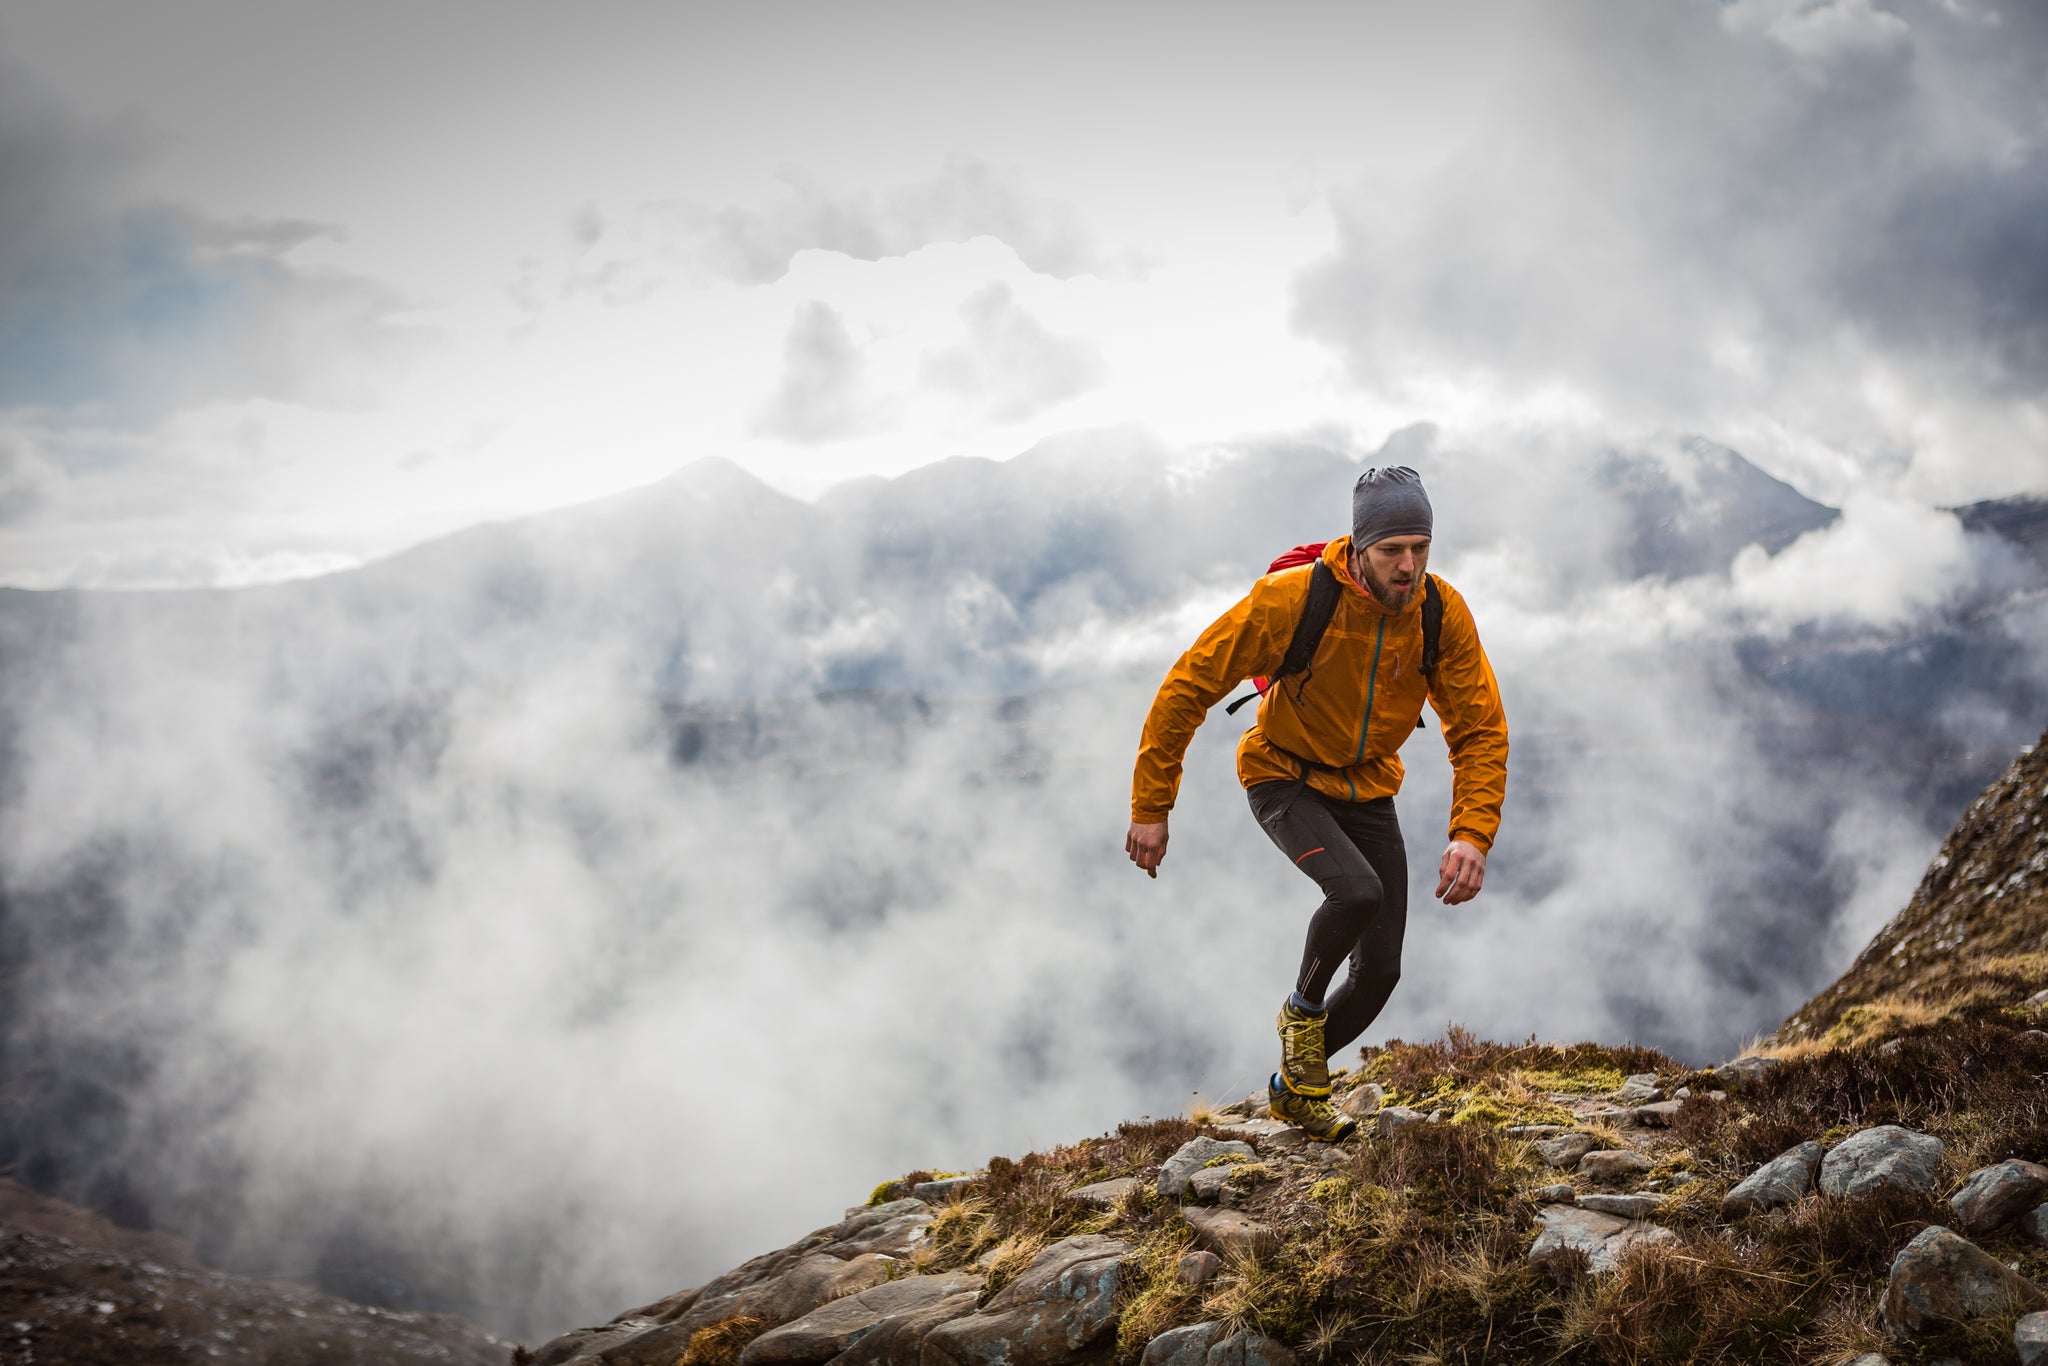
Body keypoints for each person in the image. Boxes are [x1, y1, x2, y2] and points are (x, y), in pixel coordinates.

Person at [1125, 466, 1508, 1141]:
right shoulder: (1292, 601)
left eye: (1420, 547)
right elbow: (1188, 685)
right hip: (1283, 775)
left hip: (1368, 784)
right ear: (1359, 546)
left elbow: (1479, 728)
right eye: (1393, 550)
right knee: (1356, 891)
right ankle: (1301, 1014)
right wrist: (1153, 807)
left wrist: (1472, 834)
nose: (1409, 566)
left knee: (1381, 973)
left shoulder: (1439, 613)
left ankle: (1293, 1089)